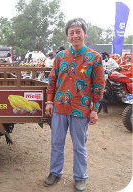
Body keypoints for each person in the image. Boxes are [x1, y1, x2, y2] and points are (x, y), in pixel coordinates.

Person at [44, 18, 105, 191]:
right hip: (59, 107)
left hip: (81, 109)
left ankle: (80, 176)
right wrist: (49, 101)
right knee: (57, 142)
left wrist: (94, 110)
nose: (75, 35)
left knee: (79, 145)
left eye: (78, 31)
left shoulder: (94, 58)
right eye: (71, 32)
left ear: (85, 33)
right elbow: (53, 80)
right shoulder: (60, 56)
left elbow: (98, 86)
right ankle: (55, 172)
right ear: (68, 36)